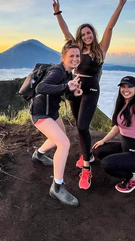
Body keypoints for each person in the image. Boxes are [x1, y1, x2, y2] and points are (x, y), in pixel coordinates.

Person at [52, 0, 129, 190]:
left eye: (89, 33)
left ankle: (87, 167)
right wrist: (58, 13)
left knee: (84, 126)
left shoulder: (100, 49)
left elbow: (110, 27)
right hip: (75, 88)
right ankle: (88, 154)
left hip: (91, 89)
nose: (86, 36)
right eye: (83, 33)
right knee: (79, 126)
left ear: (93, 35)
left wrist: (120, 4)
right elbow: (65, 32)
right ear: (80, 36)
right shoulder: (76, 48)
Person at [30, 41, 83, 207]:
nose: (75, 59)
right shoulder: (57, 71)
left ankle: (38, 154)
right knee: (64, 143)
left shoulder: (68, 73)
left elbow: (63, 92)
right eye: (71, 56)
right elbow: (41, 88)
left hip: (51, 112)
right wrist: (67, 85)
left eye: (77, 56)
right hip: (40, 113)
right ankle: (57, 187)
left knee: (60, 137)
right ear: (64, 57)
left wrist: (74, 91)